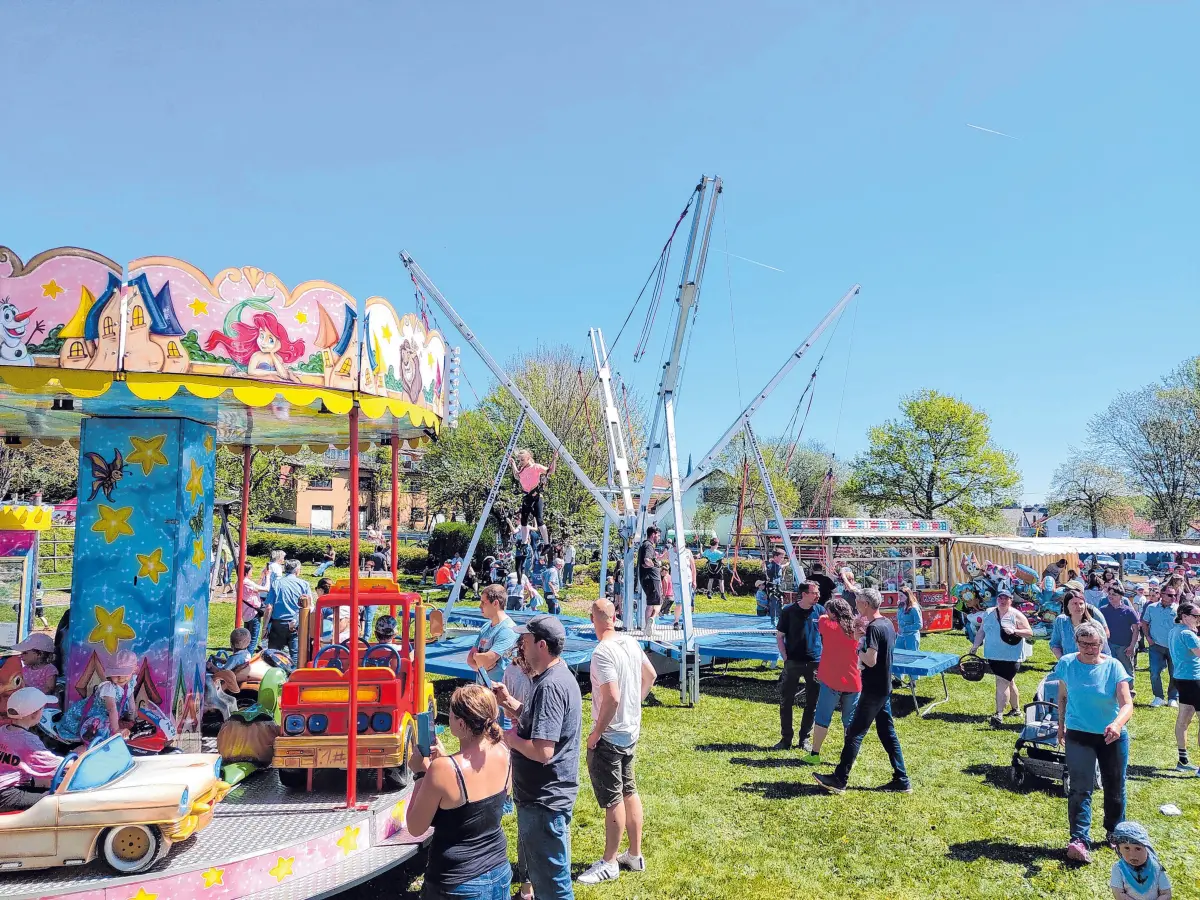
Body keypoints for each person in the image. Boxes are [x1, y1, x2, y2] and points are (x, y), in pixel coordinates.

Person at [492, 615, 582, 900]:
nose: (521, 645)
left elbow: (543, 751)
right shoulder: (553, 678)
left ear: (541, 645)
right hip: (545, 797)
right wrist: (511, 704)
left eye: (526, 640)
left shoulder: (550, 686)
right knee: (547, 879)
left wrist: (507, 738)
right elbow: (542, 723)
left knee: (554, 887)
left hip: (545, 800)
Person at [405, 684, 511, 900]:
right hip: (499, 870)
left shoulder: (442, 770)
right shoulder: (503, 751)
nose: (448, 719)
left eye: (451, 716)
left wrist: (419, 775)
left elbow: (415, 827)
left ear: (461, 724)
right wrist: (447, 759)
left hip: (457, 881)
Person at [577, 599, 656, 884]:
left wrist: (596, 732)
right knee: (629, 790)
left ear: (594, 619)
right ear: (614, 617)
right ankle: (634, 854)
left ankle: (609, 862)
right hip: (630, 731)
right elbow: (651, 675)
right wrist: (636, 704)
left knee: (612, 799)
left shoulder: (602, 651)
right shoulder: (630, 643)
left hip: (610, 736)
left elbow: (611, 697)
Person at [1052, 620, 1134, 864]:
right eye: (1085, 644)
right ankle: (1079, 839)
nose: (1091, 648)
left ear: (1102, 643)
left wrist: (1117, 724)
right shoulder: (1066, 664)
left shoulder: (1114, 666)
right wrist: (1060, 725)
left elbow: (1127, 703)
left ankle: (1114, 831)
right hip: (1078, 733)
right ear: (1077, 643)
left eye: (1095, 644)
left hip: (1112, 736)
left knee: (1115, 785)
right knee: (1080, 787)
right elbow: (1063, 696)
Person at [814, 589, 910, 794]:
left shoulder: (875, 627)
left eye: (857, 602)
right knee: (887, 734)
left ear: (865, 604)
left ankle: (840, 779)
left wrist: (858, 644)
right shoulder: (887, 624)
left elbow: (870, 660)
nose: (855, 606)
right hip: (884, 687)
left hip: (873, 690)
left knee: (854, 735)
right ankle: (902, 780)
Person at [806, 597, 861, 765]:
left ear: (833, 614)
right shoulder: (856, 628)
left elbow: (822, 617)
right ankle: (849, 757)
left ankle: (815, 754)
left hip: (831, 680)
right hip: (853, 680)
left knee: (823, 717)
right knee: (850, 721)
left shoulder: (827, 625)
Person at [968, 587, 1034, 726]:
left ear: (1011, 600)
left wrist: (1015, 630)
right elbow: (981, 632)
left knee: (1001, 682)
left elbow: (1029, 633)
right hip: (993, 655)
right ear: (997, 599)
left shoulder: (1016, 615)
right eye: (1000, 598)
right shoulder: (988, 613)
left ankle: (999, 715)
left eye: (1006, 598)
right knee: (1010, 681)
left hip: (1011, 656)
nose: (1003, 601)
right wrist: (974, 647)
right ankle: (1016, 710)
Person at [774, 581, 824, 751]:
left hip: (815, 662)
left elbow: (828, 634)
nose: (818, 595)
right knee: (786, 700)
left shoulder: (821, 611)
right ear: (804, 594)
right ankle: (786, 738)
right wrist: (785, 657)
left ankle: (805, 739)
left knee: (812, 702)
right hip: (793, 662)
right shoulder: (788, 611)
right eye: (815, 592)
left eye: (818, 592)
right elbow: (780, 636)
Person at [0, 687, 63, 811]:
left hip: (5, 789)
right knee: (58, 800)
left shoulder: (3, 730)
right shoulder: (28, 739)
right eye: (42, 709)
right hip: (7, 794)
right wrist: (80, 759)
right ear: (34, 714)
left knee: (43, 783)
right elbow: (56, 764)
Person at [60, 649, 138, 743]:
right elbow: (111, 709)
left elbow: (131, 700)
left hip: (109, 714)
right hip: (94, 713)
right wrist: (116, 730)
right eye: (116, 674)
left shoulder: (131, 682)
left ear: (134, 670)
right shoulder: (109, 688)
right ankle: (86, 746)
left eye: (125, 673)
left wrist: (133, 718)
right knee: (95, 732)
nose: (121, 677)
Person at [1168, 601, 1200, 774]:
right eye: (1196, 616)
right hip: (1194, 679)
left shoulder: (1175, 630)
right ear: (1185, 616)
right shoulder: (1188, 634)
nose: (1198, 619)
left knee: (1184, 719)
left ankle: (1183, 760)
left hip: (1181, 678)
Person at [468, 585, 519, 689]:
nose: (480, 606)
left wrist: (477, 658)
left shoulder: (508, 630)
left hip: (499, 693)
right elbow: (470, 659)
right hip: (483, 691)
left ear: (495, 603)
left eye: (483, 602)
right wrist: (482, 664)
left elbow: (486, 660)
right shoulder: (486, 626)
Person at [1109, 821, 1173, 900]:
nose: (1132, 855)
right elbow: (1118, 893)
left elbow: (1166, 893)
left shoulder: (1156, 867)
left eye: (1138, 849)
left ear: (1147, 848)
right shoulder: (1119, 868)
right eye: (1126, 848)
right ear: (1119, 849)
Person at [265, 559, 311, 667]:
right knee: (295, 654)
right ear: (297, 570)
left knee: (274, 654)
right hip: (296, 623)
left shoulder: (276, 583)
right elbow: (309, 606)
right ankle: (294, 675)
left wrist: (265, 627)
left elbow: (269, 607)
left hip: (278, 623)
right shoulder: (304, 584)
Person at [1142, 584, 1179, 708]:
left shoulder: (1178, 609)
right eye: (1170, 595)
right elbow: (1144, 623)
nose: (1173, 597)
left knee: (1174, 673)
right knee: (1154, 672)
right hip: (1156, 646)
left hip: (1174, 648)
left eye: (1174, 595)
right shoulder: (1151, 608)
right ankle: (1158, 697)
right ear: (1162, 595)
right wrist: (1147, 637)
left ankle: (1172, 698)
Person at [511, 448, 557, 546]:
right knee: (523, 520)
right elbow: (516, 476)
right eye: (519, 460)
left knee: (539, 520)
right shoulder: (522, 470)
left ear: (528, 458)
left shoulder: (536, 467)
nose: (521, 462)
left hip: (536, 496)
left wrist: (554, 459)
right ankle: (524, 542)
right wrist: (513, 463)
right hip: (527, 497)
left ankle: (546, 543)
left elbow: (550, 471)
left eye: (522, 460)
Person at [1052, 588, 1111, 659]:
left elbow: (1106, 653)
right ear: (1067, 606)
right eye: (1074, 603)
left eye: (1081, 603)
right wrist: (1063, 660)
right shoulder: (1060, 621)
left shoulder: (1095, 626)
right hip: (1068, 666)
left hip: (1090, 666)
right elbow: (1055, 644)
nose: (1079, 607)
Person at [1103, 585, 1141, 681]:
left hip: (1124, 646)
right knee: (1110, 670)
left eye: (1114, 594)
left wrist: (1132, 646)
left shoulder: (1129, 611)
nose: (1110, 596)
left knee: (1127, 669)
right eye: (1109, 594)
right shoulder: (1103, 610)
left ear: (1121, 596)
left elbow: (1136, 630)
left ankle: (1130, 690)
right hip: (1109, 645)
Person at [240, 560, 271, 651]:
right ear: (246, 571)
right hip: (253, 614)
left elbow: (256, 588)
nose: (252, 571)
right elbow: (266, 588)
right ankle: (247, 658)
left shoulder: (240, 582)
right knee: (253, 639)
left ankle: (245, 656)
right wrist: (268, 577)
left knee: (247, 637)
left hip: (246, 614)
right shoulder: (247, 582)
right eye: (251, 570)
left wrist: (262, 576)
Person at [637, 527, 663, 631]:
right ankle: (651, 621)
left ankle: (648, 628)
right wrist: (654, 565)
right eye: (658, 535)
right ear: (653, 534)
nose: (659, 537)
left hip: (646, 579)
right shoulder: (649, 545)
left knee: (650, 604)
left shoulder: (644, 545)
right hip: (651, 578)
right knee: (659, 602)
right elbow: (647, 560)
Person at [671, 544, 697, 629]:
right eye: (674, 546)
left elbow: (693, 567)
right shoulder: (670, 552)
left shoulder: (687, 552)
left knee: (687, 603)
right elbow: (661, 557)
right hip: (676, 581)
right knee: (679, 603)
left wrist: (694, 580)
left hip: (687, 580)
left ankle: (686, 622)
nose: (676, 548)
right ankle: (676, 622)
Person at [896, 587, 922, 652]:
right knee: (898, 655)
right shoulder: (901, 607)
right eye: (898, 595)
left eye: (901, 595)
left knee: (911, 657)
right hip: (901, 636)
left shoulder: (914, 608)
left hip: (911, 637)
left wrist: (905, 629)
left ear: (907, 596)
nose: (899, 597)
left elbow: (919, 625)